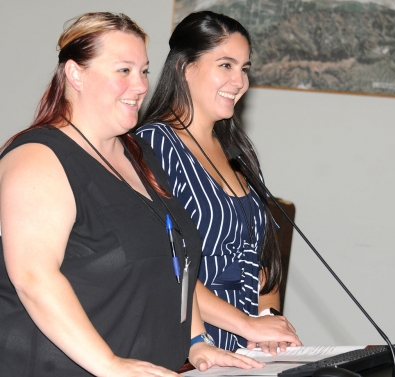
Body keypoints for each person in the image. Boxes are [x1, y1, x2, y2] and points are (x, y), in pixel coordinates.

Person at [0, 12, 265, 376]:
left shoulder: (140, 155)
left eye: (143, 71)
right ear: (76, 74)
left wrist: (197, 341)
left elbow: (175, 263)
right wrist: (109, 365)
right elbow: (33, 278)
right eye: (123, 70)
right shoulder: (38, 158)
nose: (141, 85)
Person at [135, 11, 302, 354]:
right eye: (225, 65)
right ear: (184, 67)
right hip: (186, 345)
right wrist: (246, 324)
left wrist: (267, 321)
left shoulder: (236, 152)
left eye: (244, 68)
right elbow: (163, 263)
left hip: (246, 349)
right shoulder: (153, 145)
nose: (240, 81)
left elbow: (262, 258)